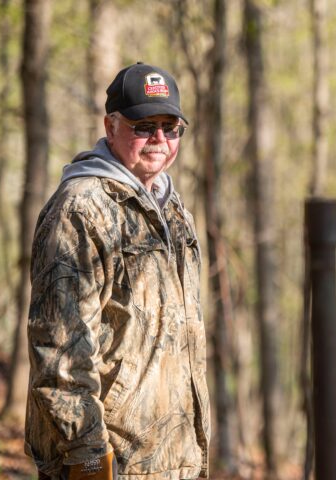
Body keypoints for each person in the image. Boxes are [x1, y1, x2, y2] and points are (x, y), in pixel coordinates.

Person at [25, 62, 210, 480]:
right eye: (144, 126)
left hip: (171, 461)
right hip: (108, 463)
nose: (159, 139)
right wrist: (89, 459)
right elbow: (59, 348)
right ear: (111, 127)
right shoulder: (80, 209)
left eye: (171, 127)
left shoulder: (174, 210)